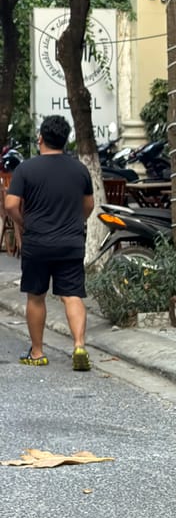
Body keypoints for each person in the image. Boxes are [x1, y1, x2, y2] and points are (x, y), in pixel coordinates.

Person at [5, 115, 94, 371]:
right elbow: (89, 205)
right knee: (72, 295)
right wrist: (75, 222)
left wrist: (23, 223)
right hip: (71, 242)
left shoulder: (26, 169)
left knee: (36, 297)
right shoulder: (80, 169)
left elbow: (10, 204)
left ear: (41, 138)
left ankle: (37, 352)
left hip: (38, 242)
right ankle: (79, 345)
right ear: (65, 140)